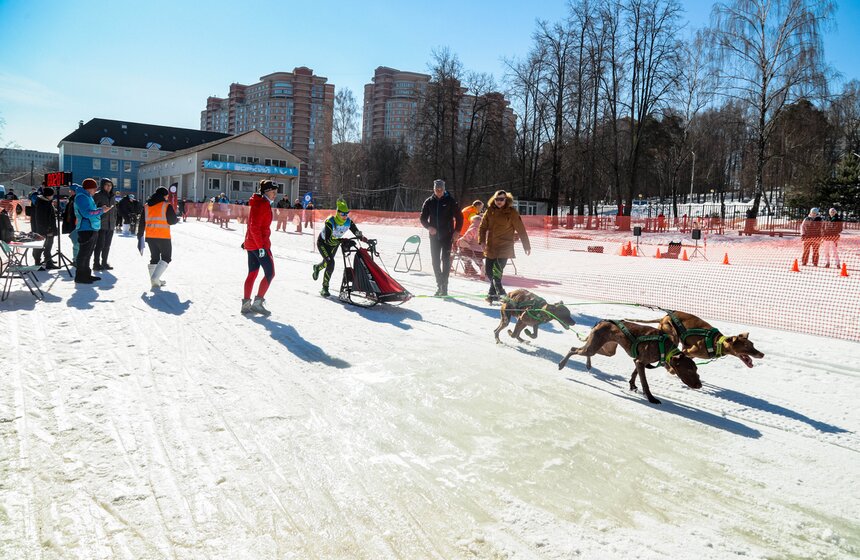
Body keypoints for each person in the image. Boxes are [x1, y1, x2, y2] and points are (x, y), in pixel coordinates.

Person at [478, 189, 530, 303]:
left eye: (501, 199)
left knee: (497, 272)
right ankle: (495, 294)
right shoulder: (489, 211)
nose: (499, 201)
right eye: (497, 199)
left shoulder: (512, 212)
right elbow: (482, 227)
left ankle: (499, 294)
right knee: (489, 271)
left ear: (506, 200)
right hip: (491, 246)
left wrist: (526, 245)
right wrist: (482, 241)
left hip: (505, 247)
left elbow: (521, 229)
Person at [312, 198, 367, 297]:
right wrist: (342, 240)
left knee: (326, 262)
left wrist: (364, 238)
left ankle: (317, 267)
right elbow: (328, 240)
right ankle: (325, 288)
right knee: (330, 263)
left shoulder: (348, 222)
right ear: (338, 213)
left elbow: (356, 232)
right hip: (323, 243)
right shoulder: (330, 221)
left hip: (334, 244)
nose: (345, 216)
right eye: (342, 214)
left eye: (346, 214)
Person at [240, 180, 278, 315]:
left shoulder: (259, 203)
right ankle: (257, 304)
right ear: (266, 192)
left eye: (276, 192)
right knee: (270, 273)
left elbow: (252, 224)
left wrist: (247, 241)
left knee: (252, 273)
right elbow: (254, 227)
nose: (275, 195)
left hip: (252, 244)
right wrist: (261, 247)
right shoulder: (262, 204)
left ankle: (246, 305)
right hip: (259, 245)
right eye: (273, 192)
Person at [419, 179, 462, 296]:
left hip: (447, 236)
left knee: (446, 260)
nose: (439, 191)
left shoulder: (450, 201)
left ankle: (445, 286)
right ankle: (439, 284)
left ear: (444, 189)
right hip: (434, 236)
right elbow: (422, 218)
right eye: (437, 189)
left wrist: (457, 231)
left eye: (441, 189)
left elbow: (460, 217)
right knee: (435, 261)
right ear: (434, 189)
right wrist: (429, 227)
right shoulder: (429, 201)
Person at [138, 186, 178, 288]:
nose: (167, 197)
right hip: (163, 236)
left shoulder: (147, 206)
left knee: (154, 257)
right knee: (166, 257)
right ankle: (155, 278)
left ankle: (154, 281)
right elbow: (172, 221)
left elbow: (141, 222)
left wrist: (140, 235)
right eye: (167, 196)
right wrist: (176, 219)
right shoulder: (166, 205)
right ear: (164, 195)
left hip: (150, 236)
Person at [73, 178, 110, 284]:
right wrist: (101, 210)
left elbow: (91, 211)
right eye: (95, 188)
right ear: (89, 188)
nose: (95, 191)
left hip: (91, 227)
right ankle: (80, 277)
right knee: (84, 253)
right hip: (85, 228)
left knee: (88, 253)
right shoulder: (81, 197)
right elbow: (86, 213)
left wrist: (100, 209)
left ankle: (86, 274)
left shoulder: (87, 196)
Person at [31, 186, 59, 270]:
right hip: (44, 230)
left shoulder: (46, 202)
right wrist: (47, 229)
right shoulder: (42, 203)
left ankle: (48, 261)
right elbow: (41, 218)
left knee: (48, 246)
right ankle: (38, 263)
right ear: (48, 195)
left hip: (48, 228)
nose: (53, 196)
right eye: (52, 195)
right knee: (41, 246)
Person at [92, 179, 117, 270]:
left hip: (111, 225)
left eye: (110, 185)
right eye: (106, 185)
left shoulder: (113, 196)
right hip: (101, 225)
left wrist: (114, 221)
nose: (109, 187)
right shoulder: (98, 195)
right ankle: (96, 264)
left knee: (107, 246)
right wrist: (100, 209)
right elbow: (92, 208)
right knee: (99, 245)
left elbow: (114, 210)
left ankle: (104, 262)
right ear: (102, 185)